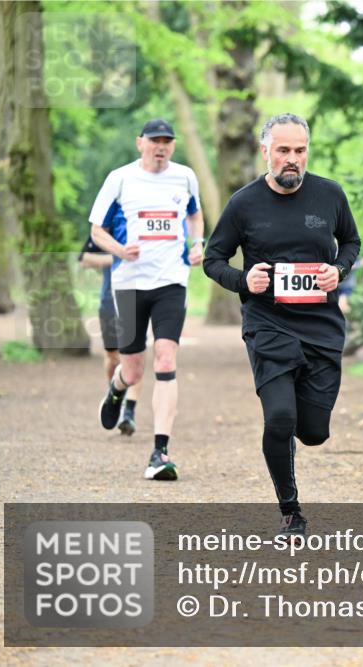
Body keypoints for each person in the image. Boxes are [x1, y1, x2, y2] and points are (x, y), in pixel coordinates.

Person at [204, 113, 361, 537]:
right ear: (265, 152)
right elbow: (212, 259)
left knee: (313, 433)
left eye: (300, 150)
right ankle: (290, 510)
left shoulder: (330, 195)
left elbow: (351, 242)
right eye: (283, 151)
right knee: (279, 418)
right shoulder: (244, 203)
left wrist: (339, 270)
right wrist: (243, 280)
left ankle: (301, 429)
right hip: (268, 323)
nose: (292, 159)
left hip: (322, 327)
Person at [89, 118, 205, 481]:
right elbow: (96, 230)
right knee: (134, 369)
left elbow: (195, 214)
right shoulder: (120, 178)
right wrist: (120, 250)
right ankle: (118, 387)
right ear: (140, 142)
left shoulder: (185, 176)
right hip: (130, 283)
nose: (161, 147)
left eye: (167, 141)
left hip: (172, 281)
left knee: (167, 356)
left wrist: (197, 242)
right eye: (155, 140)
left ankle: (160, 451)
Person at [78, 236, 143, 435]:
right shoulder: (109, 224)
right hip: (109, 299)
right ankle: (114, 397)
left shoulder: (145, 221)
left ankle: (128, 413)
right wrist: (116, 255)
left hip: (138, 300)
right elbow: (84, 258)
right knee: (113, 356)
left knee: (134, 357)